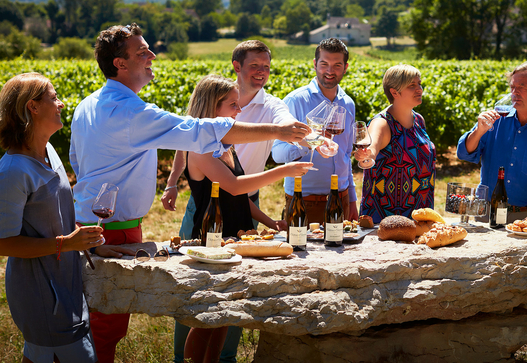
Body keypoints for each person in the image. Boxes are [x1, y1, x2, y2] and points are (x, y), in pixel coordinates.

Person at [69, 23, 310, 363]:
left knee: (101, 324)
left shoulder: (88, 105)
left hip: (107, 223)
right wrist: (278, 131)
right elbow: (194, 131)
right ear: (119, 64)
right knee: (104, 330)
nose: (152, 55)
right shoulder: (128, 111)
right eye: (142, 52)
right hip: (111, 227)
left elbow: (78, 164)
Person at [163, 40, 301, 363]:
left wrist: (269, 223)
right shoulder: (202, 149)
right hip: (212, 235)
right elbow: (236, 187)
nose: (238, 115)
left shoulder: (226, 146)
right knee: (205, 313)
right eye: (232, 107)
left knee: (225, 312)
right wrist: (286, 171)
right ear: (213, 109)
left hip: (235, 232)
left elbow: (241, 201)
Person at [0, 73, 129, 363]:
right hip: (40, 291)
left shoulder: (49, 152)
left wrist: (87, 244)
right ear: (33, 106)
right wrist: (65, 244)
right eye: (53, 97)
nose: (61, 103)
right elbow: (3, 243)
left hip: (65, 284)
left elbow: (55, 218)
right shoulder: (12, 172)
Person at [457, 61, 527, 221]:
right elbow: (463, 153)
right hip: (486, 213)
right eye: (512, 87)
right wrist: (479, 131)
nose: (514, 93)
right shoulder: (495, 119)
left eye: (522, 87)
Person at [272, 38, 358, 223]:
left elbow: (346, 155)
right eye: (324, 64)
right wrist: (311, 143)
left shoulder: (348, 104)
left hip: (341, 199)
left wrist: (352, 199)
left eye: (337, 65)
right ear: (314, 64)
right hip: (305, 201)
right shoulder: (295, 101)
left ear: (345, 67)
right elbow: (277, 154)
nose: (329, 71)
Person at [357, 64, 436, 223]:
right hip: (385, 221)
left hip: (419, 217)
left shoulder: (419, 120)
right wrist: (367, 154)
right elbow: (373, 145)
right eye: (412, 86)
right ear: (394, 92)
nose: (419, 89)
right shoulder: (382, 123)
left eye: (419, 84)